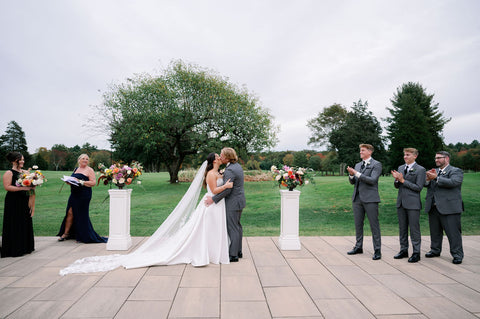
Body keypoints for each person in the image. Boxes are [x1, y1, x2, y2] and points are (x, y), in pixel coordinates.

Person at [59, 153, 232, 275]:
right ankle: (205, 252)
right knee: (201, 230)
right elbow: (215, 189)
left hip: (215, 204)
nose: (219, 158)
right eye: (217, 156)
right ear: (213, 160)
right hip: (210, 203)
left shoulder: (218, 172)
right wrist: (225, 186)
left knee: (209, 229)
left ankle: (212, 251)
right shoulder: (211, 173)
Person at [205, 147, 246, 262]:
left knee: (232, 228)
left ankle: (233, 255)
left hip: (233, 202)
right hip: (239, 201)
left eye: (222, 155)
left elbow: (228, 190)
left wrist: (213, 199)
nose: (220, 157)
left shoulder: (230, 170)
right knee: (237, 227)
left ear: (227, 158)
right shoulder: (236, 166)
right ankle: (238, 251)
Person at [424, 151, 464, 264]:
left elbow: (453, 182)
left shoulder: (456, 171)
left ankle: (457, 254)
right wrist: (427, 178)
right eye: (435, 158)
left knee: (453, 233)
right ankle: (435, 250)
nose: (436, 160)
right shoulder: (434, 171)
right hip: (433, 207)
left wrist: (436, 178)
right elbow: (426, 185)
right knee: (435, 232)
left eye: (439, 158)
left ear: (446, 158)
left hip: (450, 208)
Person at [57, 154, 107, 243]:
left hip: (84, 195)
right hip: (74, 194)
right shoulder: (76, 169)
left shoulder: (89, 170)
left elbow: (93, 183)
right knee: (70, 212)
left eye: (87, 159)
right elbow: (73, 180)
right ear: (79, 160)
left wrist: (81, 181)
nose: (85, 160)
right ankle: (66, 233)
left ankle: (82, 235)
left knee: (81, 214)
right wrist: (69, 181)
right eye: (83, 158)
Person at [346, 144, 382, 260]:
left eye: (363, 150)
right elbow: (353, 182)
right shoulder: (358, 165)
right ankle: (358, 246)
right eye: (360, 150)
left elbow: (372, 180)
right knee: (358, 224)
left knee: (374, 225)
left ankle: (377, 250)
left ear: (370, 152)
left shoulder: (376, 164)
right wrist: (351, 176)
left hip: (370, 199)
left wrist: (356, 173)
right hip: (357, 199)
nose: (360, 152)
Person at [391, 148, 426, 263]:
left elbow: (418, 188)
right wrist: (397, 180)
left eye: (408, 155)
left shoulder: (420, 170)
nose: (405, 157)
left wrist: (402, 181)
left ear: (415, 156)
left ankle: (416, 253)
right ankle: (403, 250)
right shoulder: (401, 168)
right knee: (402, 228)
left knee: (414, 229)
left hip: (413, 203)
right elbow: (397, 185)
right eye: (404, 155)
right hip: (401, 202)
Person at [1, 152, 35, 258]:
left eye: (23, 159)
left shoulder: (25, 172)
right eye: (20, 159)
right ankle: (14, 248)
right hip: (13, 201)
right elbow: (7, 187)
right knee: (14, 223)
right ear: (13, 161)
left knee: (24, 221)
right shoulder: (9, 173)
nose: (22, 161)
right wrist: (23, 188)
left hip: (24, 199)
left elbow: (30, 183)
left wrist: (34, 182)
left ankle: (25, 246)